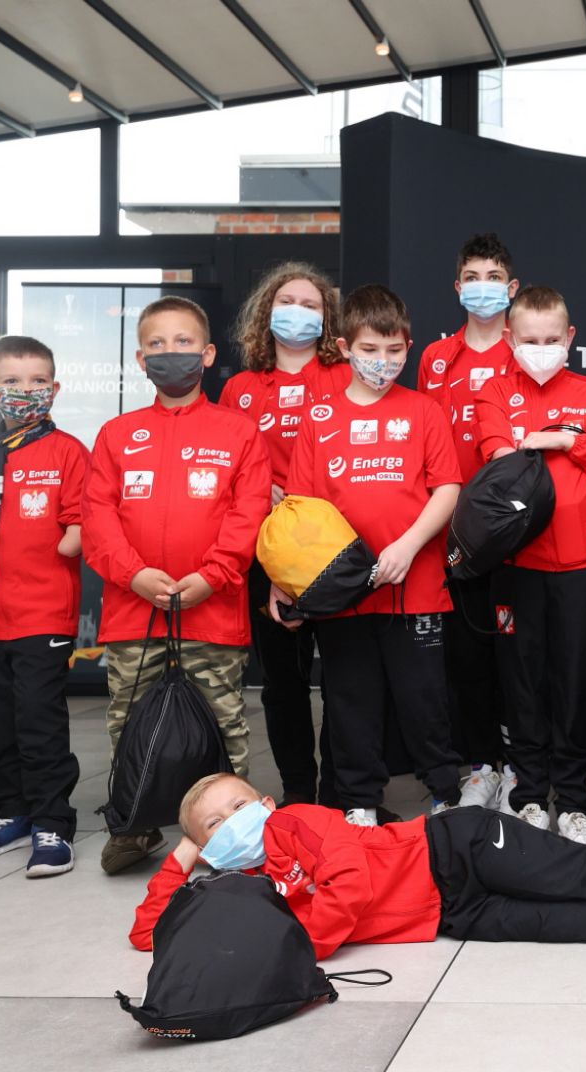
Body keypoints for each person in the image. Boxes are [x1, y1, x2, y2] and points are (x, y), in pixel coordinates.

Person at [129, 772, 586, 956]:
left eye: (239, 805)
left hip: (453, 849)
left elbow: (349, 885)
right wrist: (185, 853)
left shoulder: (296, 822)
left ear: (264, 802)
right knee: (578, 926)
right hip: (451, 913)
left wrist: (298, 944)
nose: (235, 821)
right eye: (217, 824)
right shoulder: (238, 882)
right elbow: (150, 933)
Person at [82, 296, 271, 875]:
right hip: (132, 613)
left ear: (208, 353)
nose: (171, 354)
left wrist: (211, 577)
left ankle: (235, 834)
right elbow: (97, 518)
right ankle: (134, 828)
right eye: (157, 345)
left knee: (220, 725)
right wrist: (134, 574)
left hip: (211, 611)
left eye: (183, 342)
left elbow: (249, 515)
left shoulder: (239, 432)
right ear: (140, 359)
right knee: (131, 724)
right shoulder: (117, 434)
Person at [277, 284, 463, 825]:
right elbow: (300, 510)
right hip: (344, 596)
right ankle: (358, 804)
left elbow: (447, 488)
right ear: (343, 347)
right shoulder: (319, 417)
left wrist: (407, 545)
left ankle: (445, 795)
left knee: (424, 701)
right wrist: (281, 581)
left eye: (394, 351)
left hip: (416, 587)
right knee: (350, 702)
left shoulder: (424, 411)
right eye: (370, 350)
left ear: (408, 347)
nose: (383, 362)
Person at [474, 286, 586, 849]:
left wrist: (572, 443)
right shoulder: (494, 392)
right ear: (509, 340)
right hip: (516, 565)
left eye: (551, 340)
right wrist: (542, 443)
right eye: (528, 340)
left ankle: (573, 803)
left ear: (569, 339)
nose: (540, 349)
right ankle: (527, 799)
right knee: (522, 685)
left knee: (576, 685)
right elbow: (500, 460)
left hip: (585, 565)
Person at [0, 336, 88, 877]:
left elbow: (80, 522)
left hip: (42, 614)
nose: (24, 391)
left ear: (54, 388)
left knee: (40, 722)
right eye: (11, 382)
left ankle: (53, 820)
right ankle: (12, 813)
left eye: (36, 382)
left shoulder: (68, 451)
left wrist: (70, 537)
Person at [220, 262, 350, 808]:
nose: (297, 312)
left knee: (347, 681)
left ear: (327, 321)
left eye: (310, 305)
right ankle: (299, 789)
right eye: (287, 302)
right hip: (269, 558)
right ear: (265, 312)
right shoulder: (239, 389)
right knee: (283, 684)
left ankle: (347, 791)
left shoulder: (346, 375)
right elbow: (227, 471)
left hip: (340, 549)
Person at [418, 234, 519, 810]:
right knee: (467, 657)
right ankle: (481, 766)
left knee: (519, 656)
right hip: (453, 534)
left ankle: (520, 767)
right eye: (472, 276)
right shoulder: (435, 358)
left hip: (514, 532)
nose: (482, 286)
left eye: (493, 276)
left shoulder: (526, 347)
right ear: (458, 288)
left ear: (511, 288)